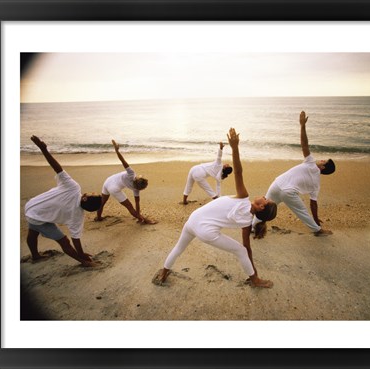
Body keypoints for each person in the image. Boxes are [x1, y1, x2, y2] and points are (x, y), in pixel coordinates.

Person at [153, 128, 277, 288]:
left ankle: (164, 272)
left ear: (260, 207)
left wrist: (235, 148)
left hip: (193, 219)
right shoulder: (247, 222)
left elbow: (238, 171)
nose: (263, 196)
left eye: (265, 199)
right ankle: (255, 279)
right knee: (241, 251)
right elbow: (247, 248)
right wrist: (253, 267)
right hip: (201, 227)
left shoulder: (244, 198)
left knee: (179, 248)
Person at [25, 135, 102, 267]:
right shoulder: (78, 216)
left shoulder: (73, 187)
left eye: (92, 193)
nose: (91, 192)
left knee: (33, 232)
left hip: (32, 206)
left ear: (85, 197)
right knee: (64, 241)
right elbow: (75, 239)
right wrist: (81, 253)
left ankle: (36, 256)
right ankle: (83, 262)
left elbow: (57, 168)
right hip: (36, 214)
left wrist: (43, 149)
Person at [254, 111, 334, 236]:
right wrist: (316, 218)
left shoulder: (311, 163)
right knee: (301, 212)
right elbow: (313, 203)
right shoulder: (316, 183)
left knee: (264, 208)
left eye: (324, 160)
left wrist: (302, 126)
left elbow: (304, 145)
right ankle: (317, 230)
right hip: (285, 190)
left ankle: (254, 227)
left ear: (323, 167)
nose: (321, 159)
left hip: (277, 184)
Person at [95, 140, 156, 224]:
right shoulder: (136, 189)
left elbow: (122, 160)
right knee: (129, 207)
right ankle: (145, 220)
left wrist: (117, 151)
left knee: (102, 202)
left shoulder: (131, 173)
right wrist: (139, 216)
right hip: (114, 188)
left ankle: (98, 217)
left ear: (138, 178)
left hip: (107, 181)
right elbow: (137, 203)